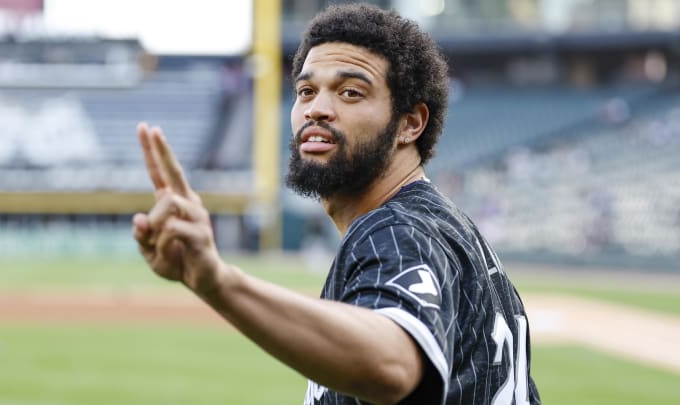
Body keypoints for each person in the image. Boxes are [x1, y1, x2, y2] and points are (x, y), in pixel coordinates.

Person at [132, 3, 541, 405]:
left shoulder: (398, 229)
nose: (317, 109)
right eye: (306, 91)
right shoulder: (438, 223)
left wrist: (218, 282)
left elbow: (391, 364)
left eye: (350, 92)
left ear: (410, 123)